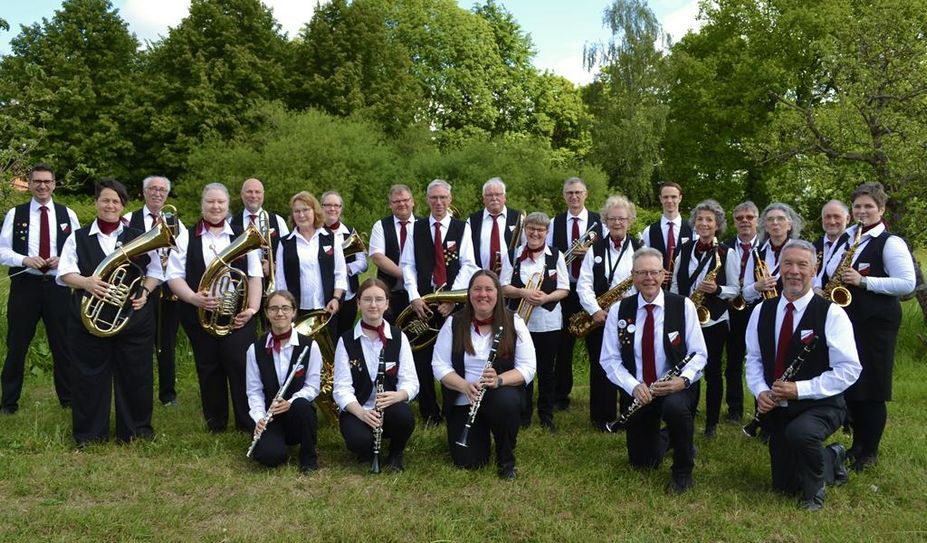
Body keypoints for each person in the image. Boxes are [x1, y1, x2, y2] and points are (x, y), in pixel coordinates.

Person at [745, 240, 861, 511]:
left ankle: (815, 491)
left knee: (801, 434)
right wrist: (760, 391)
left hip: (821, 404)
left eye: (802, 265)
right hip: (779, 407)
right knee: (784, 485)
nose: (794, 271)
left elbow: (850, 369)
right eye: (788, 263)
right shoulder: (762, 310)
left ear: (814, 269)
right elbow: (753, 359)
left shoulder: (832, 313)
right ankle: (832, 456)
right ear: (779, 267)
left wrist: (800, 389)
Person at [57, 179, 163, 444]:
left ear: (123, 206)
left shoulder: (139, 236)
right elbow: (65, 273)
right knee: (88, 376)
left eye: (116, 201)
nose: (110, 205)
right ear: (96, 203)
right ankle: (91, 435)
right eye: (105, 200)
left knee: (136, 374)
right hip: (89, 318)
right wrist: (86, 283)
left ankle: (135, 431)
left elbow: (157, 271)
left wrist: (145, 291)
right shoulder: (78, 237)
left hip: (133, 317)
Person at [823, 183, 915, 471]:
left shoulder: (890, 242)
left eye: (868, 206)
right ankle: (857, 446)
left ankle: (869, 452)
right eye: (857, 206)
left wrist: (864, 281)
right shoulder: (848, 238)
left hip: (876, 323)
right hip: (848, 321)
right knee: (852, 383)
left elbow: (907, 283)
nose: (862, 211)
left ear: (881, 209)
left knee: (872, 387)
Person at [600, 247, 708, 493]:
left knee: (675, 408)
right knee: (643, 462)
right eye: (642, 273)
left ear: (663, 275)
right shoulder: (619, 310)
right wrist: (633, 386)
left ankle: (683, 469)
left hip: (675, 387)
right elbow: (609, 359)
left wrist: (683, 380)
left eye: (654, 272)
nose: (649, 278)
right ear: (633, 276)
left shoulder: (683, 306)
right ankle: (672, 436)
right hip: (641, 391)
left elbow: (699, 353)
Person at [167, 183, 264, 433]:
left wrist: (252, 309)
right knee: (208, 366)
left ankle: (247, 421)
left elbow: (255, 276)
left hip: (239, 315)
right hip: (200, 313)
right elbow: (173, 276)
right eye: (210, 201)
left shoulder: (243, 235)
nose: (215, 206)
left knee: (241, 364)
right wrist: (193, 298)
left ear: (228, 205)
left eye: (220, 202)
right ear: (202, 204)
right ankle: (216, 422)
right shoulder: (186, 236)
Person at [432, 270, 536, 480]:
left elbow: (528, 367)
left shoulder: (514, 322)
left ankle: (505, 458)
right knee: (469, 461)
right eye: (477, 289)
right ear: (469, 294)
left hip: (499, 394)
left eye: (489, 289)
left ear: (498, 293)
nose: (483, 294)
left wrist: (499, 380)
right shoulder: (454, 323)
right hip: (465, 397)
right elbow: (439, 365)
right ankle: (479, 435)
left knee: (506, 403)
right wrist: (463, 385)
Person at [0, 164, 80, 414]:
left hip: (58, 287)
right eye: (37, 181)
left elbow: (79, 251)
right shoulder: (16, 214)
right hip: (26, 287)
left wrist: (62, 260)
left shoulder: (68, 214)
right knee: (17, 345)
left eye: (47, 181)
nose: (42, 186)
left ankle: (68, 400)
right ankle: (8, 403)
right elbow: (2, 251)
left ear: (54, 184)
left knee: (63, 345)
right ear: (30, 184)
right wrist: (24, 259)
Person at [399, 179, 479, 425]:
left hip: (452, 304)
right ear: (427, 200)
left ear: (450, 199)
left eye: (443, 197)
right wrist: (414, 296)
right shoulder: (416, 228)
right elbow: (407, 265)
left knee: (454, 355)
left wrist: (451, 298)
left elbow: (469, 264)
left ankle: (452, 408)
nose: (439, 202)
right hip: (423, 303)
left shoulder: (462, 227)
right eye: (434, 198)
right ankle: (429, 411)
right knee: (422, 357)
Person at [333, 278, 419, 471]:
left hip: (389, 408)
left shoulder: (399, 337)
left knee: (404, 416)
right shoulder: (346, 340)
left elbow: (411, 381)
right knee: (358, 441)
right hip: (359, 409)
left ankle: (396, 452)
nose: (373, 305)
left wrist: (398, 395)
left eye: (379, 299)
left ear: (387, 303)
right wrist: (362, 414)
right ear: (358, 303)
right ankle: (367, 449)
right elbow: (341, 389)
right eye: (367, 299)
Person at [671, 199, 739, 437]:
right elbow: (675, 283)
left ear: (717, 225)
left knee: (712, 372)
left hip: (714, 321)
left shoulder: (727, 253)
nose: (704, 223)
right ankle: (687, 417)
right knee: (688, 370)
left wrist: (717, 290)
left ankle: (711, 423)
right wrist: (678, 307)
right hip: (688, 318)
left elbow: (735, 289)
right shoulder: (684, 249)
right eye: (700, 219)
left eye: (709, 220)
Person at [576, 195, 641, 430]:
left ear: (630, 220)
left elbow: (647, 282)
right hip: (600, 317)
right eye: (612, 218)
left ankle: (629, 414)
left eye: (622, 218)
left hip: (630, 315)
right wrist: (595, 311)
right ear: (605, 221)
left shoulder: (640, 249)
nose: (617, 223)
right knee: (601, 365)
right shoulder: (595, 249)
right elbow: (583, 284)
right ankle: (602, 417)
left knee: (630, 363)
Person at [500, 212, 569, 431]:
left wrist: (546, 298)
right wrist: (523, 292)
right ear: (525, 230)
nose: (535, 233)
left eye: (540, 230)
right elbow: (503, 287)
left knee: (547, 371)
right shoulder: (513, 255)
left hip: (549, 323)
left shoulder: (556, 255)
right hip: (520, 323)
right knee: (522, 369)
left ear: (547, 232)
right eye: (531, 228)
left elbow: (564, 288)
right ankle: (524, 414)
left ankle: (546, 415)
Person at [124, 175, 187, 406]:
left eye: (162, 190)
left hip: (168, 290)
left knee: (166, 344)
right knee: (137, 343)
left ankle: (168, 394)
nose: (157, 193)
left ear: (167, 194)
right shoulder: (128, 220)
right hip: (137, 290)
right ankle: (138, 391)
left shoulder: (176, 223)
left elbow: (183, 253)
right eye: (152, 188)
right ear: (144, 192)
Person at [245, 290, 322, 473]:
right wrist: (259, 418)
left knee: (302, 405)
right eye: (274, 309)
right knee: (269, 457)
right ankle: (276, 444)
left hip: (297, 414)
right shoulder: (255, 350)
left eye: (285, 308)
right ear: (266, 313)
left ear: (294, 312)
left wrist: (290, 402)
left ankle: (308, 458)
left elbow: (312, 386)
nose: (280, 313)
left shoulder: (310, 346)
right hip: (270, 416)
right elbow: (254, 391)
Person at [546, 176, 601, 412]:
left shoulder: (600, 222)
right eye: (570, 193)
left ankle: (600, 396)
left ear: (586, 194)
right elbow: (549, 255)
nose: (574, 196)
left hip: (593, 291)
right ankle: (561, 395)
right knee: (563, 346)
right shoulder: (554, 223)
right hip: (565, 290)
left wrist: (590, 253)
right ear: (564, 196)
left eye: (578, 192)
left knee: (597, 345)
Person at [275, 191, 347, 336]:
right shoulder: (285, 243)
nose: (301, 215)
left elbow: (340, 273)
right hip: (297, 311)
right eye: (297, 211)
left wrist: (336, 299)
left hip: (327, 309)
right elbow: (281, 281)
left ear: (315, 211)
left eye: (306, 210)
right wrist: (286, 309)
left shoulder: (331, 239)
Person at [722, 201, 760, 422]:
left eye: (749, 217)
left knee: (760, 359)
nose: (744, 221)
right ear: (734, 222)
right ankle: (734, 409)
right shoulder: (724, 247)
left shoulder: (765, 246)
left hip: (757, 309)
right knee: (733, 361)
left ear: (757, 220)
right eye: (739, 218)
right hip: (732, 309)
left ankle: (761, 409)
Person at [321, 190, 368, 339]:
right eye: (328, 205)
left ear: (341, 208)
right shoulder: (314, 232)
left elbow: (363, 263)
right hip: (323, 296)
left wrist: (346, 268)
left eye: (336, 205)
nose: (332, 209)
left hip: (348, 296)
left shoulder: (350, 232)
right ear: (321, 207)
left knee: (345, 335)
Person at [369, 184, 418, 323]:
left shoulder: (424, 224)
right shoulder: (380, 225)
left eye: (405, 200)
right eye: (397, 201)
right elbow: (377, 257)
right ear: (390, 204)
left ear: (413, 202)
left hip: (419, 294)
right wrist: (407, 277)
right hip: (390, 294)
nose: (402, 204)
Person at [641, 182, 692, 287]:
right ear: (660, 199)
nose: (669, 201)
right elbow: (644, 260)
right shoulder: (649, 231)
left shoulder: (692, 229)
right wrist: (655, 269)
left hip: (684, 287)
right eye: (665, 197)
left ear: (680, 198)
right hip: (656, 287)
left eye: (673, 197)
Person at [751, 202, 804, 303]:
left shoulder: (802, 251)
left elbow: (811, 285)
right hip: (763, 309)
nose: (775, 223)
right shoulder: (755, 252)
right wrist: (756, 287)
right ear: (766, 227)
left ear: (789, 225)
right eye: (770, 219)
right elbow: (746, 293)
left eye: (780, 218)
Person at [468, 177, 523, 274]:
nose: (494, 198)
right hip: (481, 276)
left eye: (498, 194)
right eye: (489, 195)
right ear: (483, 199)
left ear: (504, 197)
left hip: (511, 277)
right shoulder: (472, 220)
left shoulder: (518, 218)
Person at [813, 200, 851, 293]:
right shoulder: (812, 247)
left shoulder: (854, 245)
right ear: (822, 220)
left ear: (848, 219)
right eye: (827, 217)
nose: (832, 222)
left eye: (837, 216)